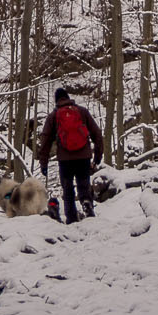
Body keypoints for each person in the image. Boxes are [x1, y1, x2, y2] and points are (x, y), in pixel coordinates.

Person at [38, 87, 105, 223]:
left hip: (65, 159)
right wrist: (97, 156)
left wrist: (43, 163)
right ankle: (87, 204)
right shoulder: (81, 112)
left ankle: (72, 219)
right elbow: (97, 134)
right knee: (83, 185)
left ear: (57, 100)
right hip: (83, 156)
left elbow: (45, 140)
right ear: (68, 98)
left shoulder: (54, 116)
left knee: (68, 189)